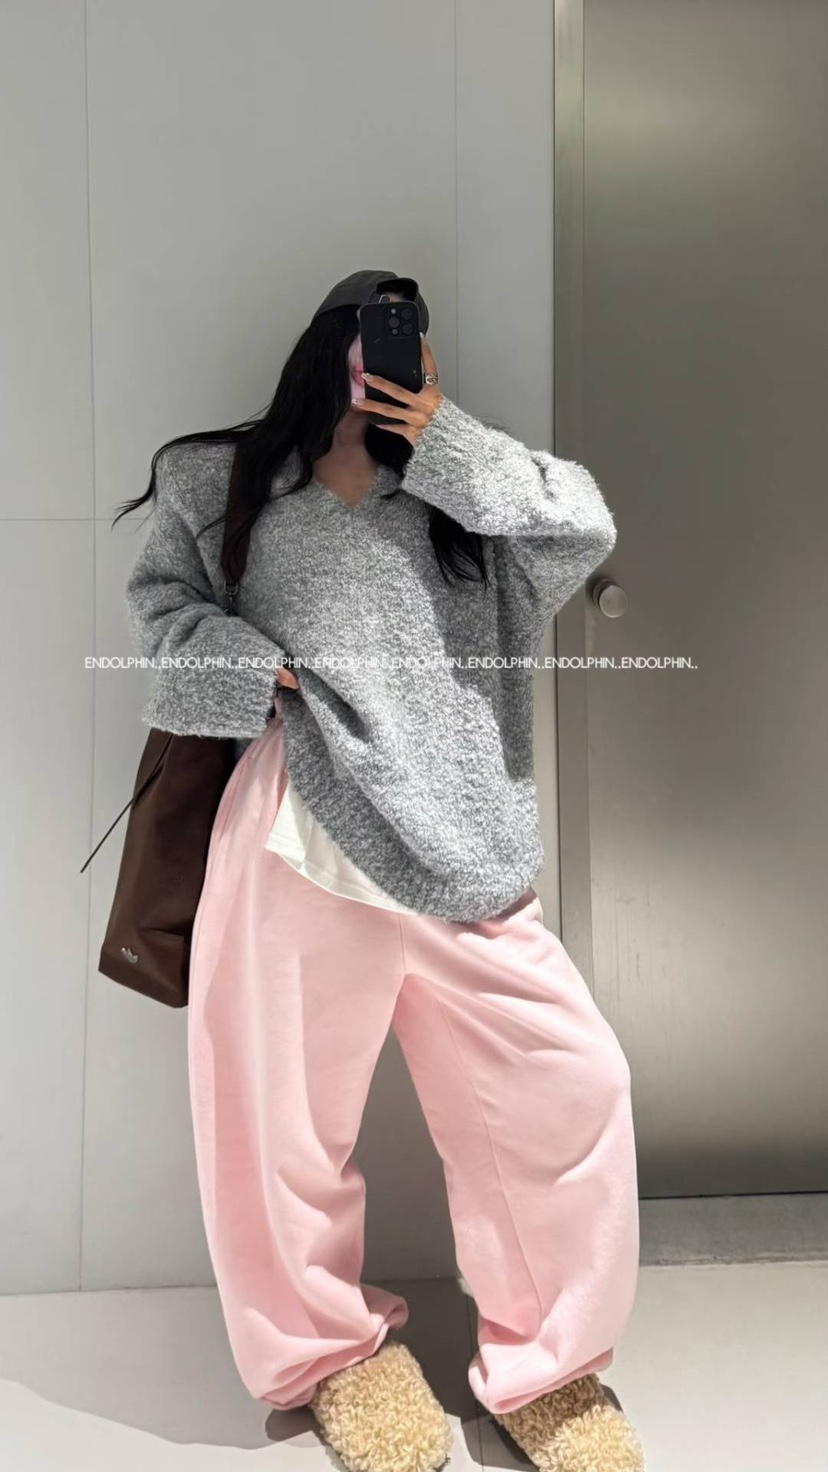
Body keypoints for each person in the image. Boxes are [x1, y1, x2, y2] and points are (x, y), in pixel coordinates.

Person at [117, 271, 645, 1472]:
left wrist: (443, 434)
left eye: (407, 335)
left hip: (460, 844)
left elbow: (584, 524)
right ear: (325, 343)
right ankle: (330, 1357)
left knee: (569, 1088)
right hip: (298, 836)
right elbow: (160, 613)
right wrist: (259, 665)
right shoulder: (225, 481)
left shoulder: (464, 498)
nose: (388, 354)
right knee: (279, 1120)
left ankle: (551, 1371)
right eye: (370, 331)